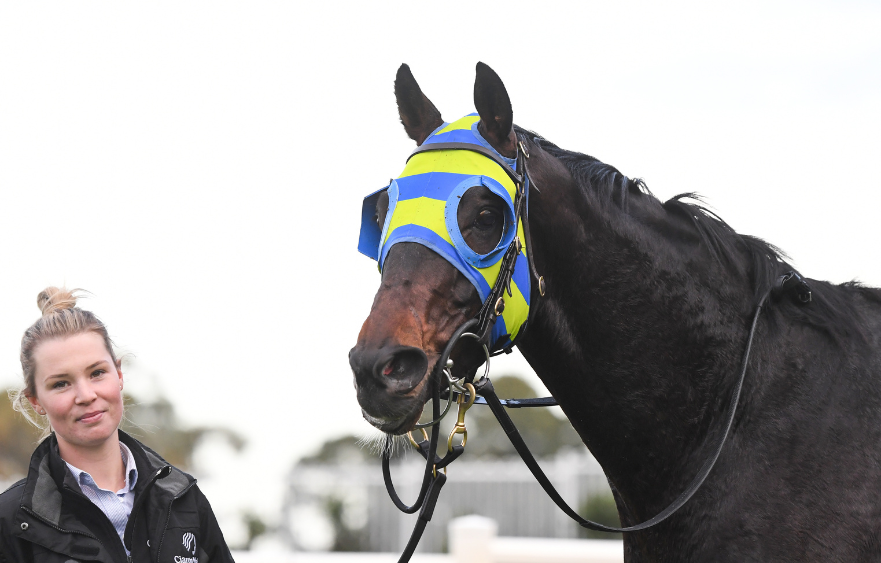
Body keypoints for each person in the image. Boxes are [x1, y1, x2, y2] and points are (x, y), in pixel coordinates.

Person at [0, 287, 235, 563]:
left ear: (119, 374)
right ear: (36, 401)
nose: (86, 395)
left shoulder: (183, 499)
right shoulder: (11, 522)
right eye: (61, 383)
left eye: (97, 373)